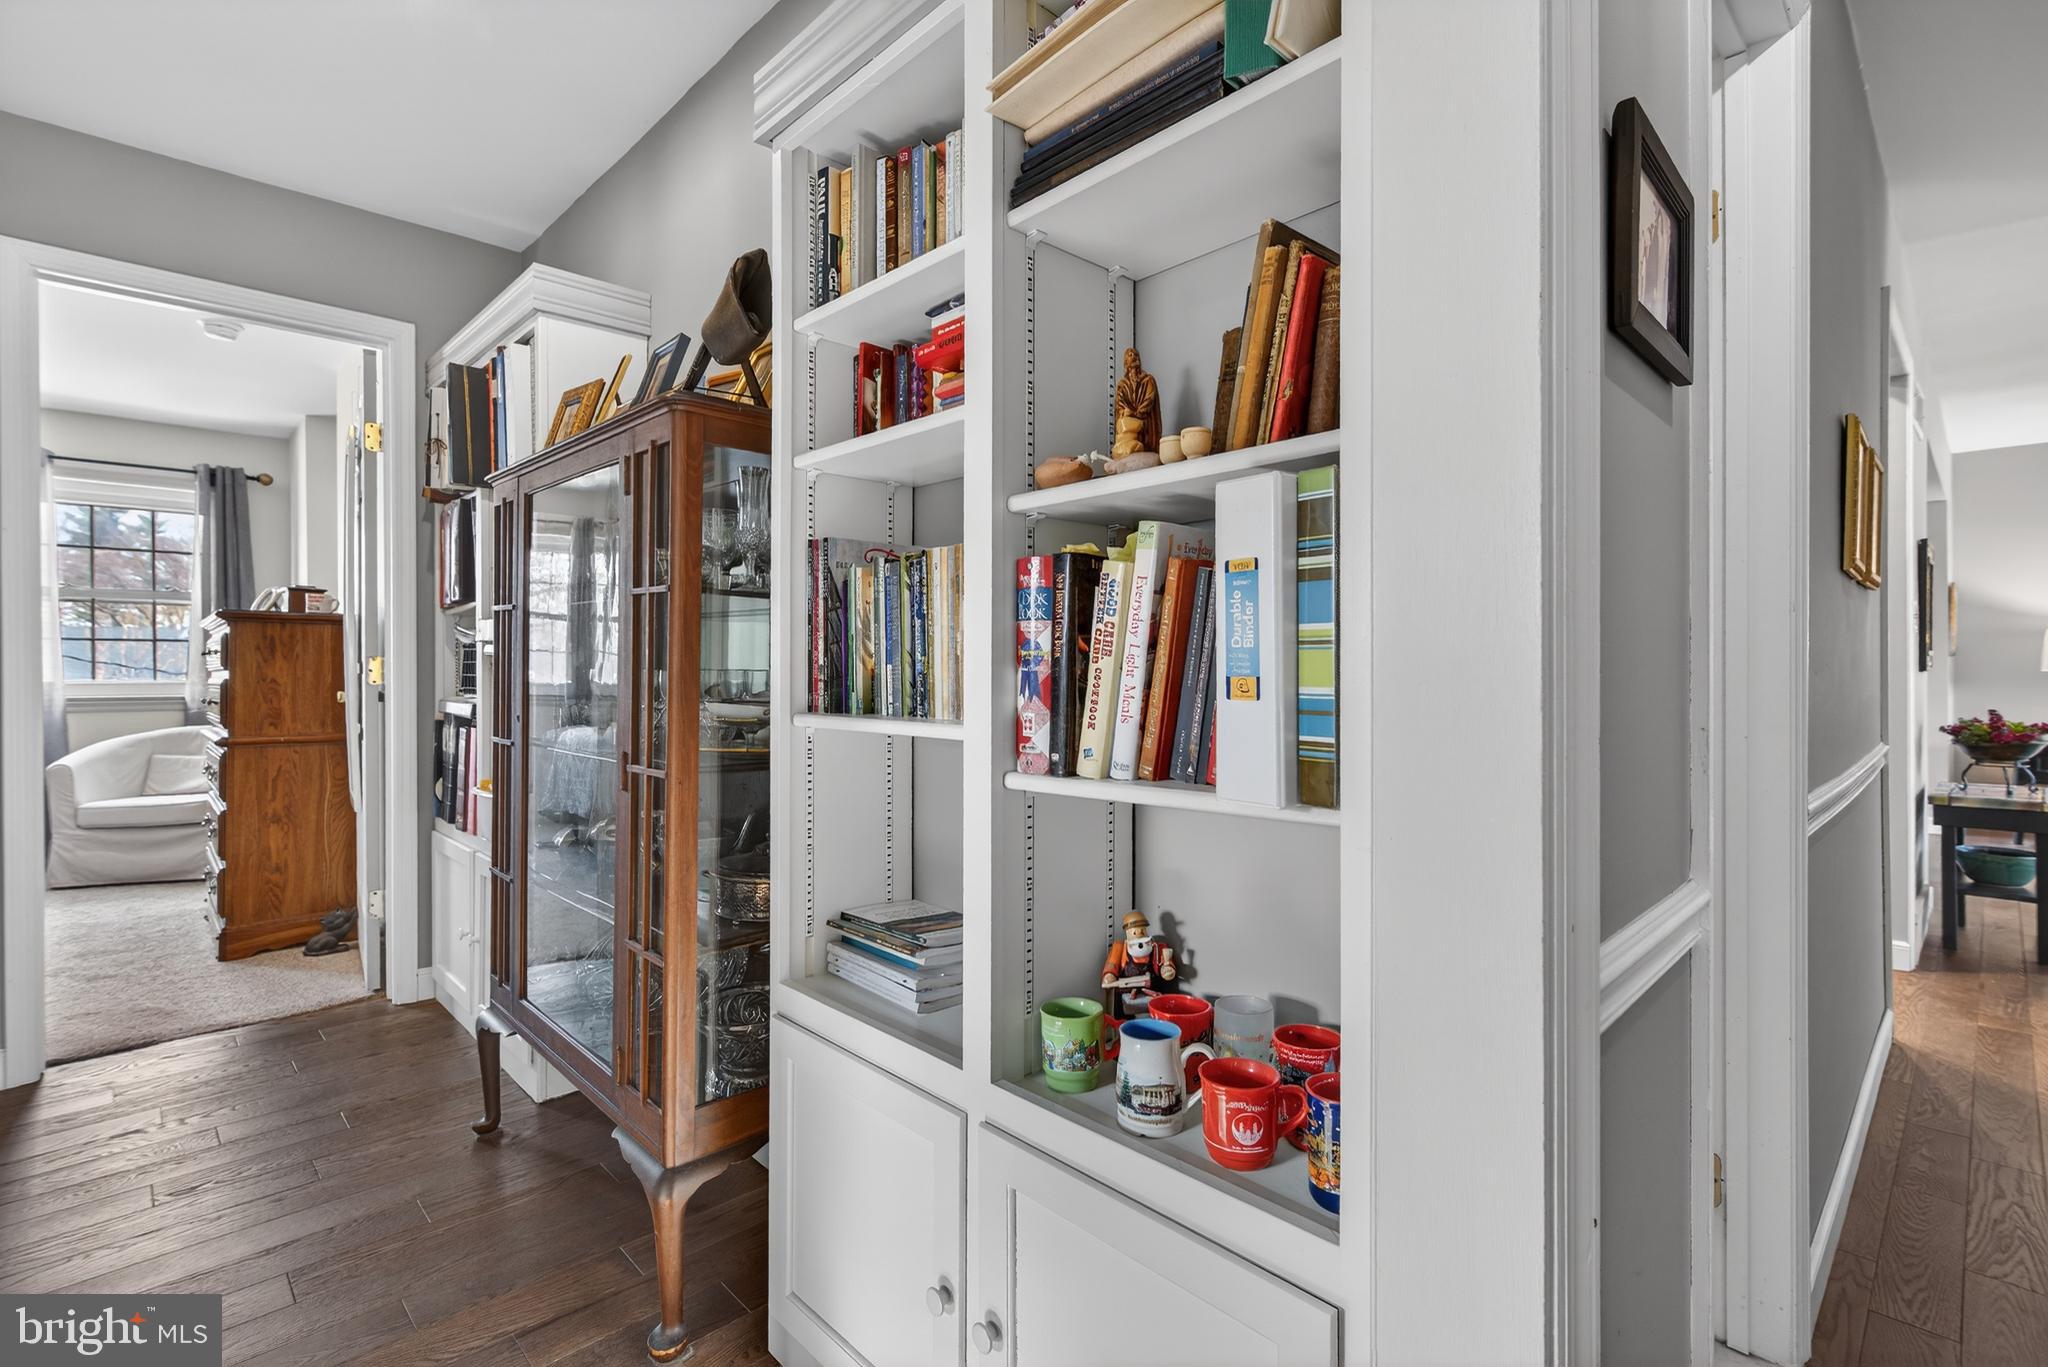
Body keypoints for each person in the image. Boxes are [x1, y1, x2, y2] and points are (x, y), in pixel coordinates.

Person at [1100, 909, 1175, 1020]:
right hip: (1127, 996)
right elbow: (1111, 964)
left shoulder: (1156, 948)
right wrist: (1109, 975)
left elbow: (1165, 964)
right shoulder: (1119, 948)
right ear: (1128, 933)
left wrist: (1167, 970)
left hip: (1150, 995)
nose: (1139, 935)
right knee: (1124, 1019)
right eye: (1135, 932)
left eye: (1142, 931)